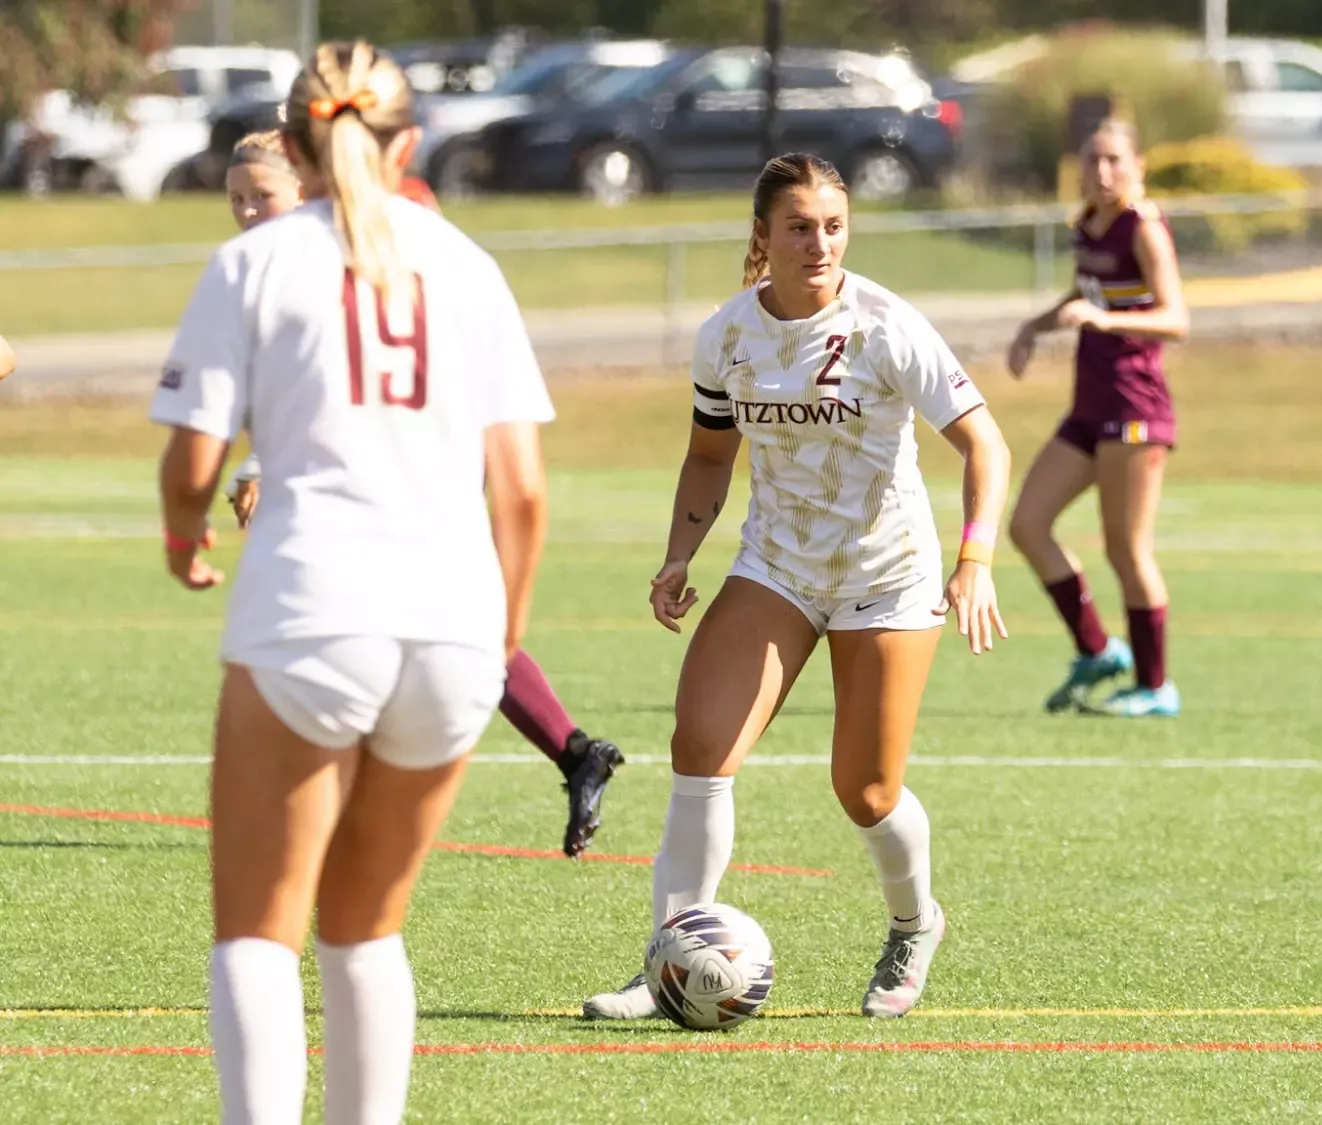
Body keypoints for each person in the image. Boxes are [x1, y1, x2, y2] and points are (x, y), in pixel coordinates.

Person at [151, 42, 554, 1123]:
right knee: (367, 931)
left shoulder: (257, 260)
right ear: (408, 144)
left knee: (257, 933)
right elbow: (520, 492)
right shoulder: (467, 264)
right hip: (455, 628)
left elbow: (193, 464)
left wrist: (181, 535)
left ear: (288, 146)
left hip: (313, 611)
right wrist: (498, 633)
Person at [581, 153, 1011, 1021]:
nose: (820, 243)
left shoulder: (887, 326)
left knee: (866, 790)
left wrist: (975, 558)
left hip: (886, 575)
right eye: (800, 227)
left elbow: (986, 446)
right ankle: (668, 960)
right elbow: (710, 454)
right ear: (763, 235)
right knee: (699, 748)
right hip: (776, 566)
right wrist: (679, 555)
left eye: (834, 226)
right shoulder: (728, 335)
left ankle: (913, 921)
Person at [220, 139, 625, 858]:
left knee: (378, 624)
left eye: (264, 195)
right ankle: (572, 750)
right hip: (385, 470)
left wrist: (250, 468)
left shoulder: (372, 233)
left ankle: (353, 794)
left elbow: (363, 371)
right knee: (430, 622)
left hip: (421, 462)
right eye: (238, 199)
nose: (250, 211)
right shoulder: (282, 263)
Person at [1005, 119, 1189, 718]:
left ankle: (1155, 686)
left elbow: (1175, 318)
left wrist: (1104, 321)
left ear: (1138, 166)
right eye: (1092, 161)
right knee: (1028, 524)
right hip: (1089, 409)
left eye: (1114, 160)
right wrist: (1035, 326)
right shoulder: (1087, 223)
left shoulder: (1144, 228)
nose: (1102, 172)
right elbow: (1084, 294)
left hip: (1135, 410)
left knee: (1126, 550)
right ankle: (1095, 650)